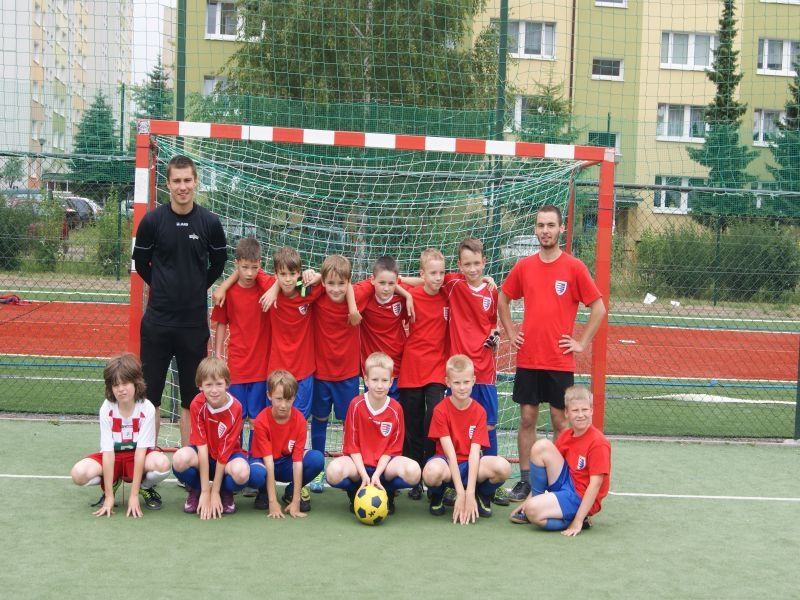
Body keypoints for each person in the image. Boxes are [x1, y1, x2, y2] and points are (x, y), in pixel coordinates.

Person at [497, 205, 606, 502]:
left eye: (550, 225)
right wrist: (511, 332)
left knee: (560, 422)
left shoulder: (574, 267)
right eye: (540, 225)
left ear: (561, 229)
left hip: (559, 360)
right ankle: (526, 481)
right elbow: (503, 298)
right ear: (535, 229)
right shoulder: (525, 267)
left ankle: (559, 481)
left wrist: (581, 342)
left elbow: (598, 308)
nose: (545, 230)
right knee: (527, 418)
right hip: (529, 358)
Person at [132, 155, 227, 446]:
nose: (182, 187)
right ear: (168, 184)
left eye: (187, 180)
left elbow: (218, 264)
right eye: (177, 181)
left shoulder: (210, 222)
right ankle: (148, 460)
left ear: (195, 182)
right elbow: (141, 263)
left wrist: (196, 287)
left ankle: (189, 464)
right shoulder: (152, 221)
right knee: (150, 399)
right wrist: (163, 287)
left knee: (192, 400)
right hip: (157, 324)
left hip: (192, 326)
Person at [441, 237, 507, 506]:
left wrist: (495, 336)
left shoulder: (492, 292)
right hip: (459, 372)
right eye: (467, 264)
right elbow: (427, 277)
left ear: (484, 262)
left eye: (477, 263)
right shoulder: (452, 283)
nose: (472, 269)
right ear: (459, 265)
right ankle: (450, 482)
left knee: (488, 424)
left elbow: (492, 324)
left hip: (485, 369)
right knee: (453, 425)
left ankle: (491, 484)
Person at [70, 353, 170, 517]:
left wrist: (133, 495)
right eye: (116, 385)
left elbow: (140, 453)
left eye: (125, 383)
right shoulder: (107, 408)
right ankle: (112, 483)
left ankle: (144, 487)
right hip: (114, 457)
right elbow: (108, 452)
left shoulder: (147, 408)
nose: (121, 389)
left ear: (136, 382)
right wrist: (109, 496)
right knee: (78, 474)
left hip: (137, 456)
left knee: (162, 464)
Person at [326, 352, 421, 514]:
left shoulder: (396, 409)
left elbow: (391, 450)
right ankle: (355, 491)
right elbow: (352, 446)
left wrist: (376, 474)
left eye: (384, 380)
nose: (379, 385)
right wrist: (364, 474)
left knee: (414, 472)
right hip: (359, 466)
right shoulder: (356, 405)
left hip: (384, 467)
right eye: (375, 380)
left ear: (391, 382)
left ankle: (388, 492)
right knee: (333, 472)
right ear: (366, 380)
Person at [509, 385, 611, 535]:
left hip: (579, 495)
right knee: (541, 446)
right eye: (575, 410)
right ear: (567, 413)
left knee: (533, 511)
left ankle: (579, 519)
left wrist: (577, 521)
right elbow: (550, 469)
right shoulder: (566, 436)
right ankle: (535, 501)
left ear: (591, 411)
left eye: (584, 410)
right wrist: (528, 500)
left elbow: (595, 484)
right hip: (566, 483)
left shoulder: (598, 443)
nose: (581, 415)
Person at [423, 355, 510, 523]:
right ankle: (438, 494)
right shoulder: (440, 410)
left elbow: (475, 454)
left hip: (471, 464)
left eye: (466, 382)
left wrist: (469, 493)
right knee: (431, 473)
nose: (462, 387)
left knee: (503, 467)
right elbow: (450, 455)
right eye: (457, 383)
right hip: (448, 464)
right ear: (448, 382)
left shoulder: (480, 411)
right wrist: (460, 494)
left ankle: (481, 494)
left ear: (473, 381)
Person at [397, 247, 449, 500]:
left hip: (437, 367)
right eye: (432, 273)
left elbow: (469, 280)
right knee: (412, 423)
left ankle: (432, 469)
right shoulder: (412, 296)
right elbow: (391, 281)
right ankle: (414, 476)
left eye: (441, 273)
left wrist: (487, 279)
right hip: (412, 366)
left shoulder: (448, 293)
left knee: (434, 417)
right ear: (422, 274)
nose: (438, 278)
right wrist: (407, 292)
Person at [211, 236, 270, 451]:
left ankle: (254, 459)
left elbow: (284, 284)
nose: (249, 273)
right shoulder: (229, 293)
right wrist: (218, 355)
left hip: (261, 367)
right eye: (244, 268)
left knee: (256, 419)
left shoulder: (266, 289)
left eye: (254, 268)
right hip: (236, 366)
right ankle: (234, 457)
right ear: (236, 264)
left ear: (260, 264)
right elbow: (221, 323)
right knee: (235, 417)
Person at [307, 255, 361, 492]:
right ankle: (318, 470)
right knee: (319, 419)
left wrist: (353, 306)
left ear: (349, 282)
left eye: (341, 283)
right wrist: (315, 276)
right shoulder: (317, 294)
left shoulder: (359, 294)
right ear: (323, 282)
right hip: (321, 373)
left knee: (349, 422)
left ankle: (348, 468)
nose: (336, 289)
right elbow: (292, 284)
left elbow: (389, 281)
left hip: (348, 374)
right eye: (330, 283)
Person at [172, 357, 250, 518]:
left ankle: (224, 491)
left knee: (242, 473)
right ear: (200, 385)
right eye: (208, 385)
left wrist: (214, 492)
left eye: (219, 384)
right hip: (204, 456)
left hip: (227, 458)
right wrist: (205, 491)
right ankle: (197, 489)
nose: (214, 390)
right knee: (179, 460)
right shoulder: (196, 404)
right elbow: (201, 448)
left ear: (227, 384)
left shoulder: (236, 408)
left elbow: (224, 452)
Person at [247, 370, 325, 516]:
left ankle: (291, 492)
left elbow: (297, 462)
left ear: (294, 397)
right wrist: (273, 502)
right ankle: (264, 492)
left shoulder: (300, 421)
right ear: (269, 395)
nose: (283, 405)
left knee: (316, 459)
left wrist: (296, 501)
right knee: (256, 474)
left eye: (288, 399)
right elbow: (268, 462)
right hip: (264, 462)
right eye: (279, 399)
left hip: (285, 464)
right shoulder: (261, 421)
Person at [352, 255, 415, 399]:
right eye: (381, 283)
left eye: (391, 283)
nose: (386, 288)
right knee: (374, 406)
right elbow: (344, 288)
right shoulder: (366, 295)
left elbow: (425, 282)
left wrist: (408, 295)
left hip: (397, 365)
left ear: (397, 282)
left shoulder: (401, 295)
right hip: (373, 367)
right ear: (372, 280)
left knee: (395, 407)